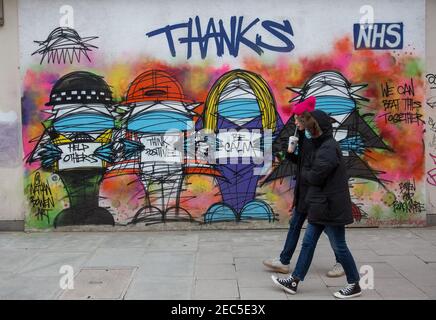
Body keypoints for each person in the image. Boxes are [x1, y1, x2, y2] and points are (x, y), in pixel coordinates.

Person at [271, 109, 362, 299]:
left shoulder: (328, 148)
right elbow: (310, 167)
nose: (306, 131)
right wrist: (295, 156)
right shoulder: (320, 145)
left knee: (339, 247)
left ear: (315, 129)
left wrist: (305, 170)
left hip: (331, 208)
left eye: (308, 127)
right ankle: (294, 281)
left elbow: (314, 176)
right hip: (320, 205)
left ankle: (354, 284)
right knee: (308, 243)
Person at [263, 97, 345, 278]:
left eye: (297, 118)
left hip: (317, 193)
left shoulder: (317, 139)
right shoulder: (302, 135)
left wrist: (305, 172)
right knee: (295, 225)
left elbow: (315, 168)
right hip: (304, 191)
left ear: (306, 119)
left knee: (330, 230)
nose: (294, 121)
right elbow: (302, 163)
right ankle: (284, 261)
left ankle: (341, 262)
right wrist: (290, 154)